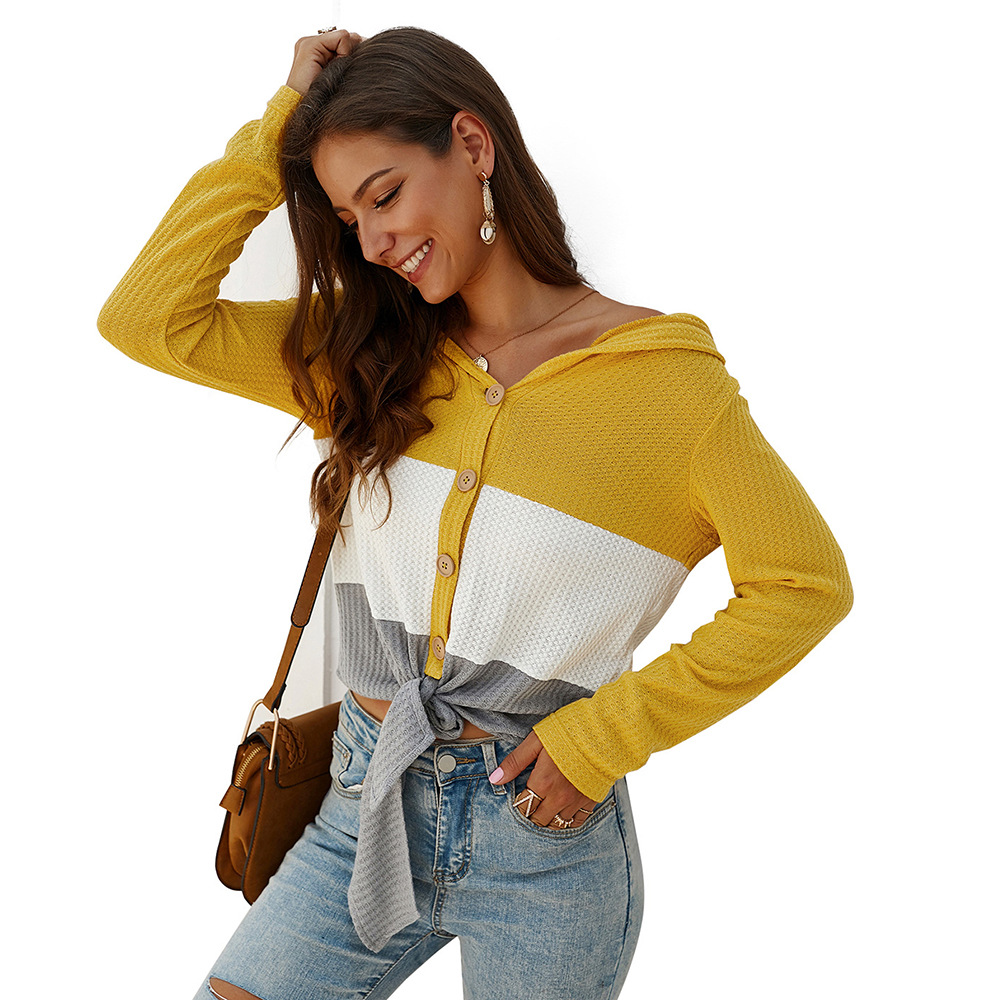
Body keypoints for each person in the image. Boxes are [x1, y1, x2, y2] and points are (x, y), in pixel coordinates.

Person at [97, 25, 853, 1000]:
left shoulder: (668, 389)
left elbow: (803, 585)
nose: (372, 242)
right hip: (360, 806)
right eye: (348, 218)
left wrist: (604, 736)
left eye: (384, 196)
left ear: (471, 144)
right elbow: (147, 318)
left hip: (542, 834)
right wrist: (281, 123)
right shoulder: (366, 359)